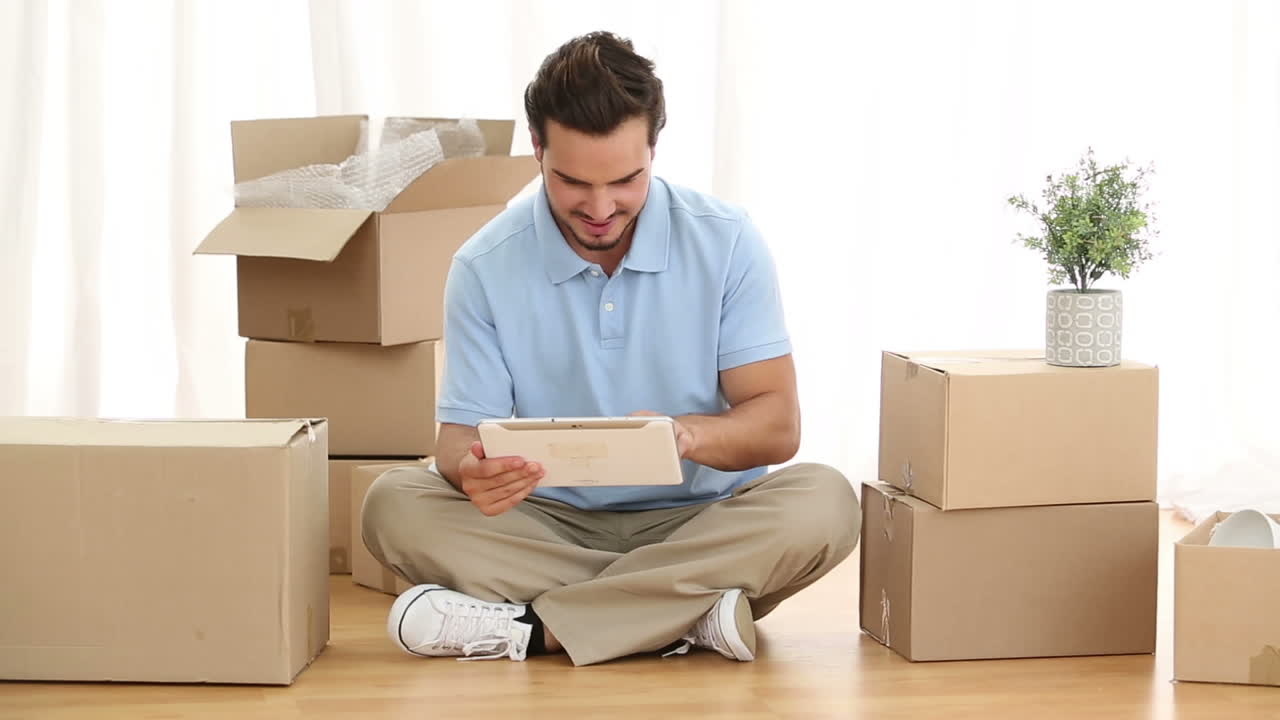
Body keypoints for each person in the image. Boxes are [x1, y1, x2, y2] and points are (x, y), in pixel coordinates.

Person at [361, 30, 861, 667]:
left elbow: (777, 426)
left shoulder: (728, 243)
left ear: (654, 148)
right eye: (572, 183)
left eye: (626, 180)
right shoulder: (483, 266)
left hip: (701, 518)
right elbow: (457, 442)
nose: (601, 208)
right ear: (538, 149)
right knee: (393, 505)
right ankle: (686, 609)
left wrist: (684, 436)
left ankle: (533, 628)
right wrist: (474, 471)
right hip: (546, 524)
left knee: (826, 501)